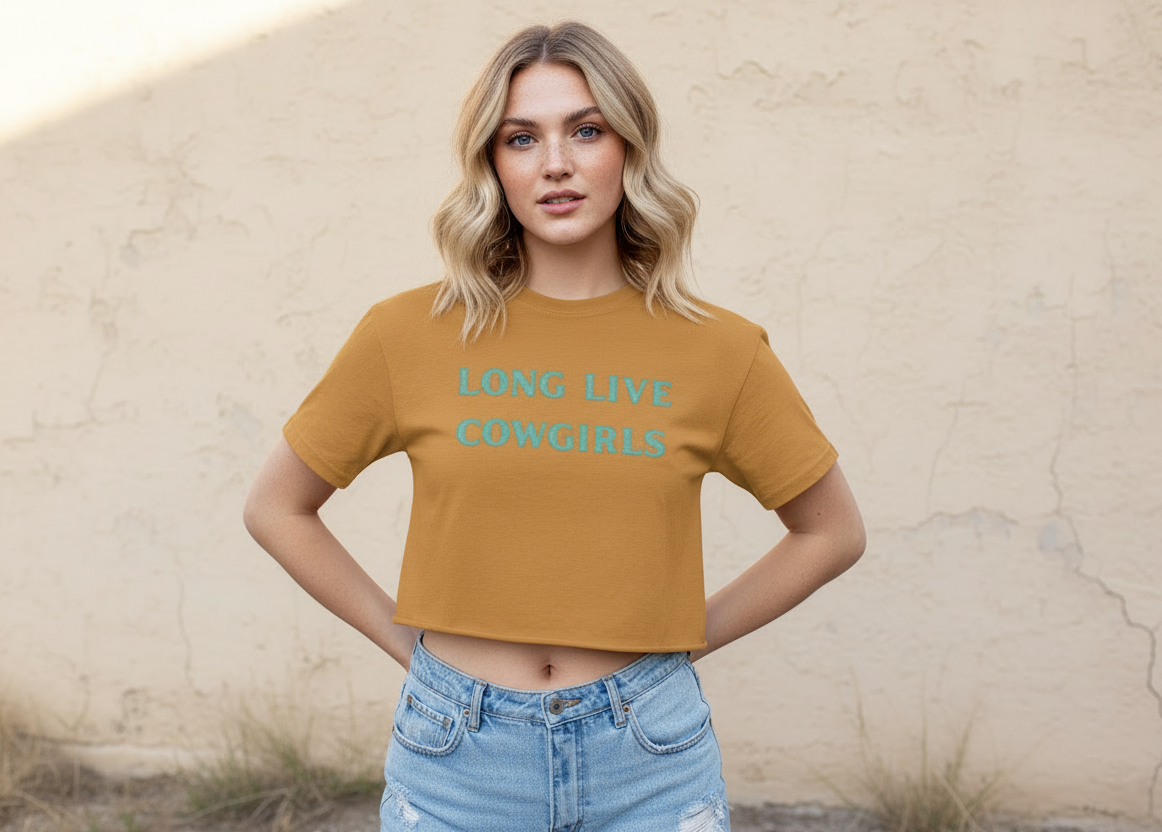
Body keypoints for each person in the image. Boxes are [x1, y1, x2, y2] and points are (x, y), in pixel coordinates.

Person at [244, 20, 865, 832]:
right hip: (456, 759)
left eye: (585, 129)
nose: (556, 163)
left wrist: (676, 648)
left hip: (647, 758)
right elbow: (276, 507)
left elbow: (832, 532)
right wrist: (417, 657)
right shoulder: (407, 334)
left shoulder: (719, 350)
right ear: (492, 164)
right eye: (521, 138)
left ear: (628, 149)